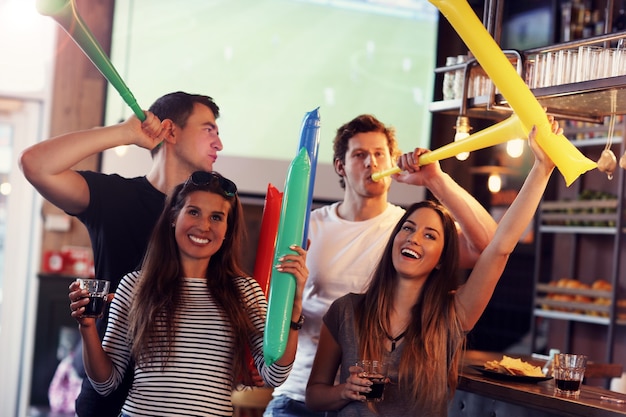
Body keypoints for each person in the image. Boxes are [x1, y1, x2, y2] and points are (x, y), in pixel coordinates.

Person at [304, 124, 557, 416]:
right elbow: (315, 396)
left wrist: (542, 169)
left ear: (441, 258)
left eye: (430, 235)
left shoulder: (450, 315)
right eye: (408, 228)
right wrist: (343, 391)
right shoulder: (346, 310)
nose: (413, 237)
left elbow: (499, 247)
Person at [264, 114, 498, 416]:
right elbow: (275, 305)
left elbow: (489, 247)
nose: (371, 163)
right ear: (340, 166)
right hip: (299, 393)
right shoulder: (309, 226)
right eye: (359, 155)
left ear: (392, 162)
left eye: (379, 154)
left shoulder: (408, 233)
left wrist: (434, 179)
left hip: (373, 403)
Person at [19, 91, 224, 416]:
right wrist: (125, 133)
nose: (219, 144)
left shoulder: (211, 223)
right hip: (106, 392)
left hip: (176, 401)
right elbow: (34, 164)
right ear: (170, 131)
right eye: (208, 130)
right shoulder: (112, 196)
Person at [68, 171, 308, 417]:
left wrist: (296, 307)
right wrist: (87, 328)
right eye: (193, 212)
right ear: (174, 216)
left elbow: (275, 374)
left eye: (217, 217)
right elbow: (106, 383)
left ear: (227, 230)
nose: (204, 226)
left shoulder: (245, 291)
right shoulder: (134, 285)